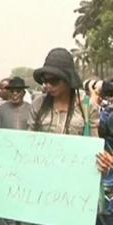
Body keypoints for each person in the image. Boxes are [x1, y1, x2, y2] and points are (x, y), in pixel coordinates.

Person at [29, 48, 113, 224]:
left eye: (54, 81)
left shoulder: (86, 105)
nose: (48, 86)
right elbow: (26, 145)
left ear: (68, 79)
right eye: (45, 81)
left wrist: (104, 161)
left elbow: (95, 145)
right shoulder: (37, 105)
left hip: (76, 192)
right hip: (44, 187)